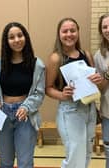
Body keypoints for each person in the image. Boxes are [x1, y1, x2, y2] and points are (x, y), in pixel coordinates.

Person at [45, 17, 102, 168]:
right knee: (74, 156)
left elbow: (94, 82)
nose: (69, 34)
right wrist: (62, 95)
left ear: (78, 32)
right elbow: (48, 88)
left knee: (87, 153)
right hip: (70, 111)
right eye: (65, 31)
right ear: (59, 34)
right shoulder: (56, 58)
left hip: (89, 109)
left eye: (73, 30)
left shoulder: (86, 54)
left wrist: (97, 78)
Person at [0, 22, 45, 168]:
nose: (17, 40)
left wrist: (26, 107)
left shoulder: (37, 64)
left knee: (25, 162)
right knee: (5, 161)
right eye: (11, 37)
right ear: (6, 42)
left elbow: (39, 93)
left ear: (25, 37)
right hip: (2, 115)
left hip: (25, 116)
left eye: (20, 35)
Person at [93, 13, 109, 168]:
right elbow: (100, 88)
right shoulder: (99, 55)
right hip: (108, 111)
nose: (108, 30)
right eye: (104, 27)